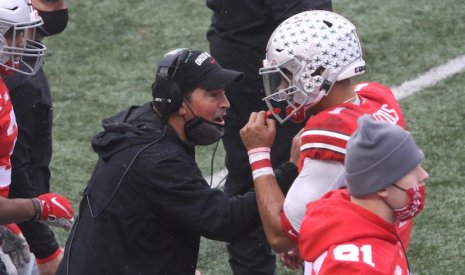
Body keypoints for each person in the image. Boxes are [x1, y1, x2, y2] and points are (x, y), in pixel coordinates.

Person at [56, 48, 297, 275]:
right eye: (214, 94)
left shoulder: (146, 124)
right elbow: (225, 220)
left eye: (223, 92)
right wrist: (286, 167)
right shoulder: (157, 160)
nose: (226, 103)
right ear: (177, 102)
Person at [239, 9, 410, 265]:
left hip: (349, 263)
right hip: (386, 253)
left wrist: (258, 153)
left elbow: (280, 236)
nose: (281, 88)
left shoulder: (330, 131)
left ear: (316, 73)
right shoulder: (376, 99)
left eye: (287, 75)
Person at [206, 1, 333, 273]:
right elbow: (313, 26)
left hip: (249, 53)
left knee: (255, 175)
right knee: (319, 168)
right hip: (279, 68)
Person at [299, 115, 428, 274]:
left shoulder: (361, 221)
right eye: (410, 170)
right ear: (381, 187)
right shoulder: (358, 268)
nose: (423, 175)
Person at [0, 1, 74, 274]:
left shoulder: (8, 83)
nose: (23, 44)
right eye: (14, 34)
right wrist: (37, 209)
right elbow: (17, 169)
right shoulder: (18, 86)